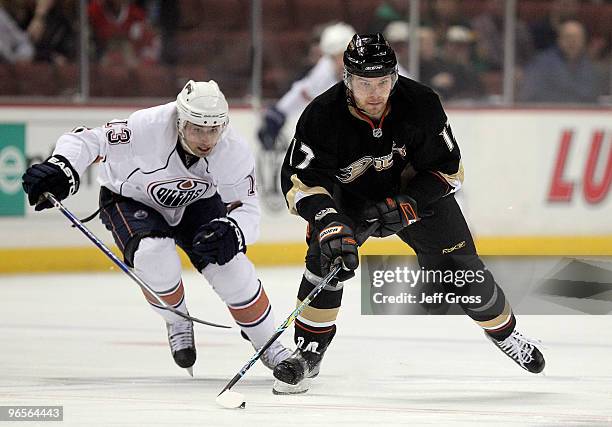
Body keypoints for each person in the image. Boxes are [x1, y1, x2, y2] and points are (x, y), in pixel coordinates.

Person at [273, 33, 545, 394]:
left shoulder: (421, 103)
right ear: (348, 79)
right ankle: (309, 351)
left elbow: (449, 169)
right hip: (348, 203)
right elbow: (301, 180)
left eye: (382, 81)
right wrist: (328, 220)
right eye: (364, 83)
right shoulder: (321, 116)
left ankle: (506, 333)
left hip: (414, 197)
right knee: (327, 258)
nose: (374, 92)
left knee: (465, 276)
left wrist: (410, 202)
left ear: (394, 77)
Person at [21, 80, 291, 375]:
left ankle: (271, 345)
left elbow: (248, 209)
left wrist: (234, 231)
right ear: (179, 120)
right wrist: (62, 167)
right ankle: (177, 320)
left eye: (213, 129)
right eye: (197, 128)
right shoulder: (146, 126)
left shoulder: (233, 150)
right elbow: (87, 140)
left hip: (196, 202)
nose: (206, 139)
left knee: (230, 265)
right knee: (153, 254)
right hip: (131, 197)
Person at [257, 21, 356, 152]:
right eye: (334, 57)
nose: (338, 62)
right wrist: (278, 113)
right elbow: (302, 92)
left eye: (343, 55)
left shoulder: (366, 68)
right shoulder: (324, 70)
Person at [519, 20, 605, 104]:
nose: (572, 41)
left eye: (577, 37)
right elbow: (530, 95)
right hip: (551, 114)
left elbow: (596, 97)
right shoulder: (540, 64)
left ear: (583, 41)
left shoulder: (593, 68)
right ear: (559, 40)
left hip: (585, 116)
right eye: (568, 37)